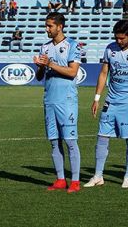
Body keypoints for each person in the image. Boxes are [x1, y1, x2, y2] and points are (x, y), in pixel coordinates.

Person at [84, 20, 128, 189]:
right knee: (102, 137)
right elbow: (104, 74)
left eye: (121, 38)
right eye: (116, 38)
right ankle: (98, 175)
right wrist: (97, 98)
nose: (118, 41)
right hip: (110, 101)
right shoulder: (110, 49)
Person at [33, 13, 82, 193]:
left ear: (59, 26)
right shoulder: (44, 47)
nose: (47, 29)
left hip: (66, 100)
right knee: (54, 141)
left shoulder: (72, 45)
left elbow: (72, 72)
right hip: (50, 99)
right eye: (46, 26)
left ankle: (75, 181)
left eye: (49, 26)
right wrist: (40, 66)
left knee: (70, 141)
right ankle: (61, 179)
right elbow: (39, 77)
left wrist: (50, 64)